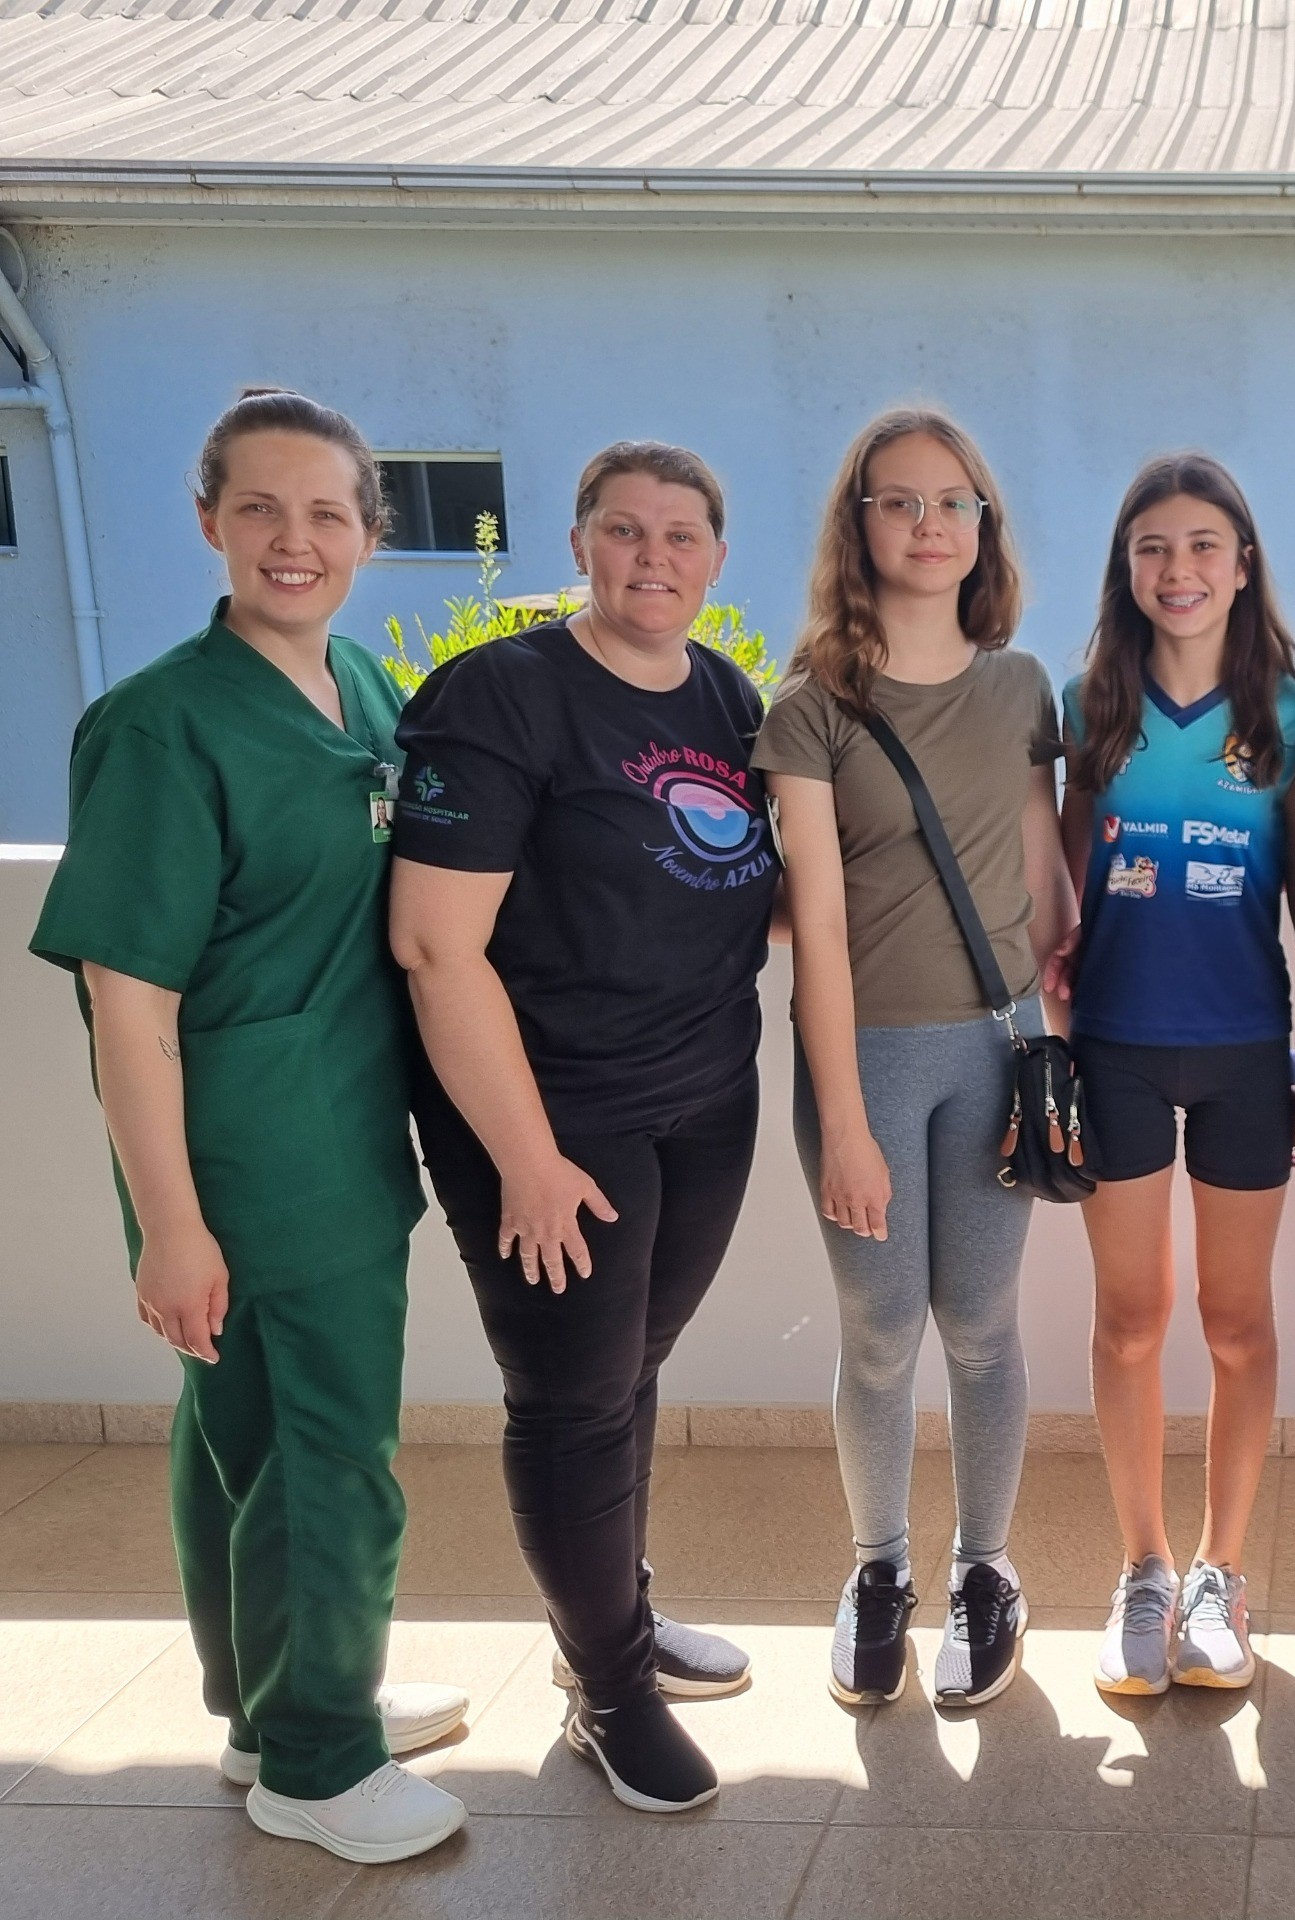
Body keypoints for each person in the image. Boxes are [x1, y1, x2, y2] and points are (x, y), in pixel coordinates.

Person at [30, 390, 468, 1863]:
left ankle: (269, 1710)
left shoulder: (361, 685)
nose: (296, 539)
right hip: (252, 1153)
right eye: (262, 509)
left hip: (340, 1127)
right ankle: (320, 1764)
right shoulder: (161, 726)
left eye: (328, 513)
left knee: (244, 1434)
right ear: (209, 519)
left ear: (369, 535)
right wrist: (171, 1224)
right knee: (327, 1447)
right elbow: (126, 999)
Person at [390, 441, 776, 1817]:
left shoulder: (725, 694)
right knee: (571, 1400)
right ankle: (608, 1694)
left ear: (716, 558)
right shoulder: (504, 693)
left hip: (704, 1098)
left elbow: (740, 885)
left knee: (630, 1370)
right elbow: (434, 946)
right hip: (553, 1121)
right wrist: (526, 1159)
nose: (652, 557)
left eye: (680, 535)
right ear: (578, 544)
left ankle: (613, 1622)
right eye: (623, 530)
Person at [754, 409, 1074, 1712]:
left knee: (982, 1328)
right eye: (900, 501)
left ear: (983, 525)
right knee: (882, 1332)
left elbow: (1044, 883)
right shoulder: (811, 707)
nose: (930, 524)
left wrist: (1064, 1036)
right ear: (861, 524)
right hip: (869, 1057)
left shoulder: (1023, 688)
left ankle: (984, 1571)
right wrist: (843, 1119)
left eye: (955, 501)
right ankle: (878, 1568)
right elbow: (818, 927)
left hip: (1001, 1049)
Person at [1043, 454, 1295, 1696]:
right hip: (1113, 1050)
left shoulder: (1293, 714)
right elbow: (1059, 894)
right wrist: (1053, 1032)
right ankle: (1145, 1568)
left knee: (1234, 1322)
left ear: (1243, 562)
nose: (1179, 569)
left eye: (1203, 544)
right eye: (1152, 547)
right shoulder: (1087, 706)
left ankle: (1222, 1572)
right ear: (1126, 568)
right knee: (1127, 1324)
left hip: (1244, 1057)